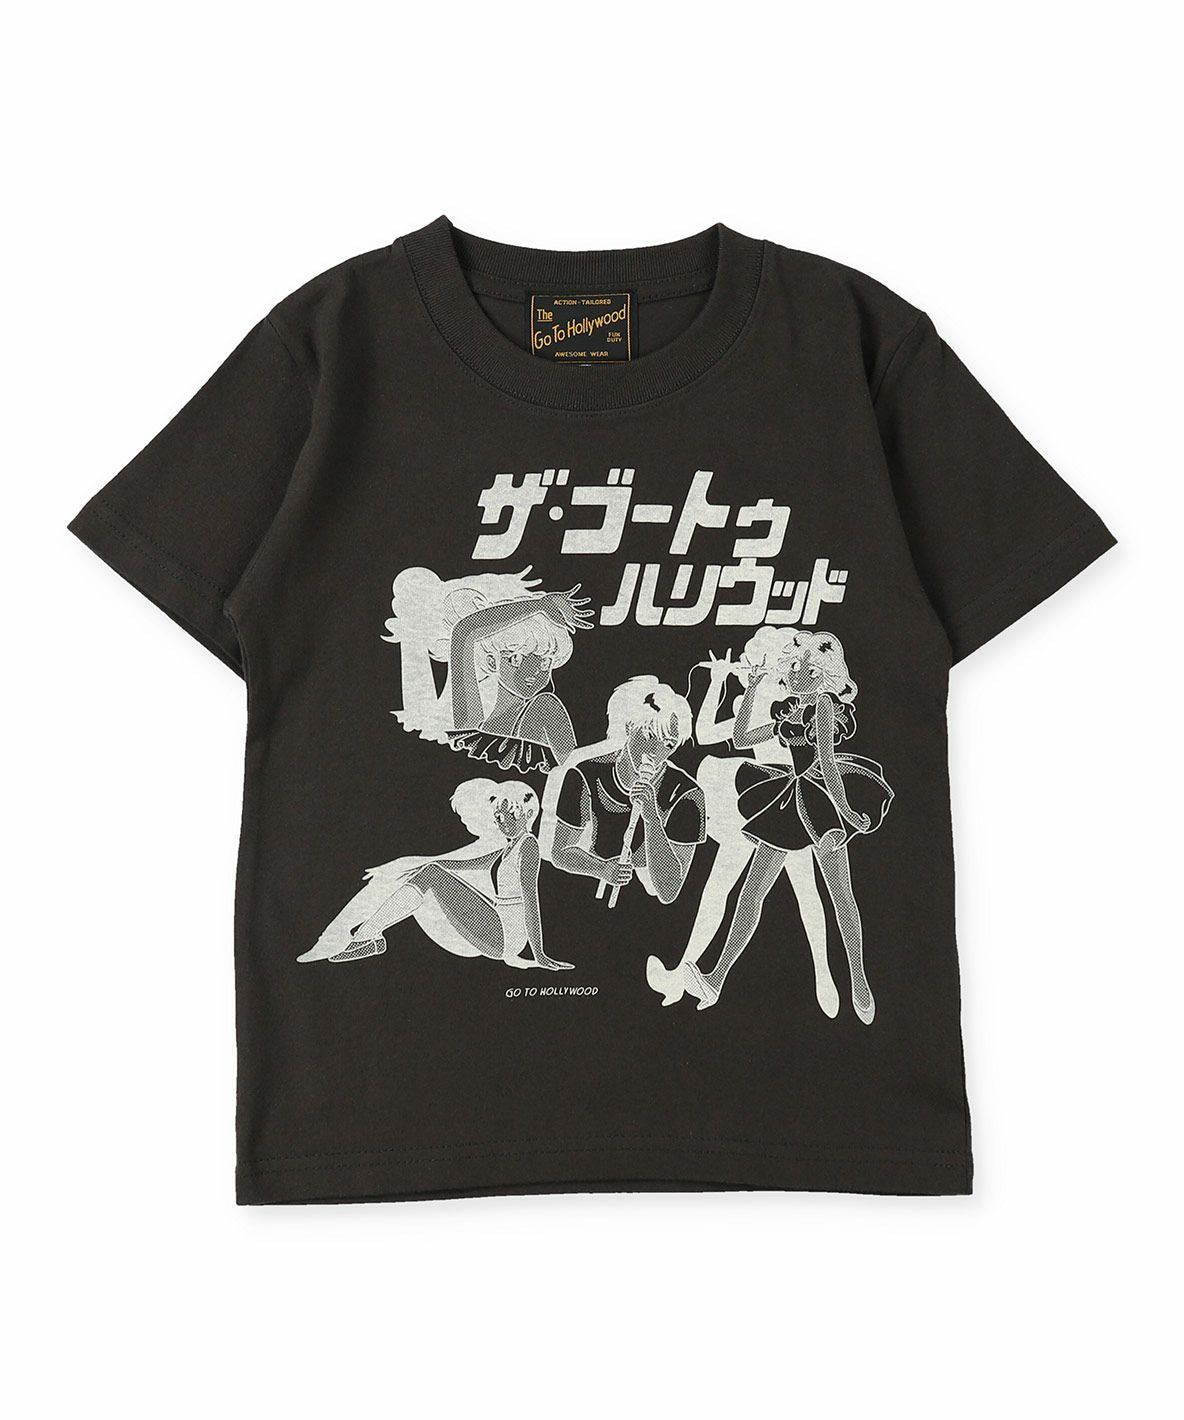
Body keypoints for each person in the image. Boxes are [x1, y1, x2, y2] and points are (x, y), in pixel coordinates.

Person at [680, 631, 892, 1023]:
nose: (792, 673)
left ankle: (859, 980)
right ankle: (716, 977)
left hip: (822, 801)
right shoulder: (790, 711)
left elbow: (826, 764)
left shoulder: (824, 705)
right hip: (789, 800)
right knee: (751, 894)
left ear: (820, 673)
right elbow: (742, 737)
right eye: (791, 666)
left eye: (801, 668)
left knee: (841, 896)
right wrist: (754, 685)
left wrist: (846, 811)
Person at [645, 631, 837, 1016]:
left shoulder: (799, 699)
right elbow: (708, 733)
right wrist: (719, 681)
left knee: (804, 889)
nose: (748, 668)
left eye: (756, 662)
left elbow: (813, 752)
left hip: (789, 801)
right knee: (722, 888)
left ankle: (823, 974)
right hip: (754, 799)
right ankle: (685, 973)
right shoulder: (759, 698)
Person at [297, 778, 572, 971]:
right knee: (430, 872)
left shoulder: (528, 846)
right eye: (497, 816)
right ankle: (369, 935)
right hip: (497, 923)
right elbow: (462, 864)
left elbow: (531, 900)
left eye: (507, 815)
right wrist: (411, 866)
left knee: (430, 874)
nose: (500, 822)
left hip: (505, 935)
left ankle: (367, 936)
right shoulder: (509, 846)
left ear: (525, 814)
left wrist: (539, 954)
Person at [381, 566, 590, 771]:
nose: (533, 670)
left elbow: (578, 772)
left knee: (544, 704)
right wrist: (539, 605)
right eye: (517, 658)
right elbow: (464, 632)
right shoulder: (472, 723)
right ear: (492, 662)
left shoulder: (545, 709)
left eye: (544, 662)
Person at [543, 676, 705, 905]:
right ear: (630, 726)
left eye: (669, 744)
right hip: (582, 897)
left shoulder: (687, 795)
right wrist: (601, 869)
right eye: (650, 735)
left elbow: (669, 891)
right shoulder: (585, 774)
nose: (656, 751)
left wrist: (652, 819)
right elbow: (560, 852)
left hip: (645, 909)